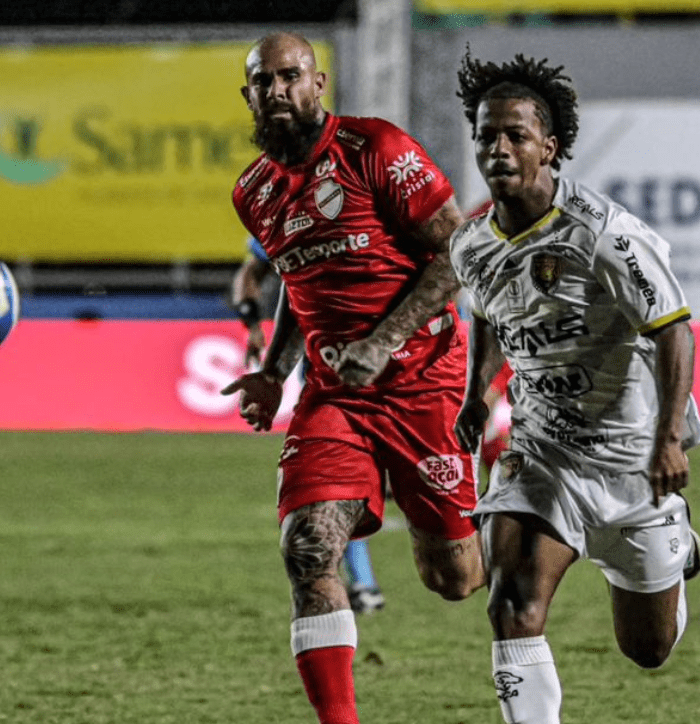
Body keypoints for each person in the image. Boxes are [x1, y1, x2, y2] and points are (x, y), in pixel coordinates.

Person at [220, 32, 485, 724]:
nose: (277, 91)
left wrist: (384, 340)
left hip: (424, 385)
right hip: (334, 396)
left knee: (454, 578)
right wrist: (274, 371)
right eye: (263, 82)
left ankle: (528, 516)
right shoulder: (253, 193)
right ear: (247, 96)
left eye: (290, 77)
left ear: (319, 83)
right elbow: (295, 282)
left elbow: (456, 253)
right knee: (308, 547)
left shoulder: (377, 151)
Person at [450, 52, 700, 724]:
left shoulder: (606, 236)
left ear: (550, 146)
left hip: (630, 461)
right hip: (542, 454)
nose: (497, 148)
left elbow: (674, 329)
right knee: (512, 603)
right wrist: (478, 392)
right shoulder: (472, 245)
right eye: (485, 136)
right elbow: (487, 316)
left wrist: (669, 437)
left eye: (515, 135)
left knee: (647, 650)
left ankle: (673, 546)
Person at [229, 235, 386, 614]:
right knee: (335, 478)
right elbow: (250, 273)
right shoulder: (292, 215)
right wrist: (253, 325)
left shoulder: (390, 199)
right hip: (327, 369)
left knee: (450, 568)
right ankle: (364, 584)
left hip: (406, 363)